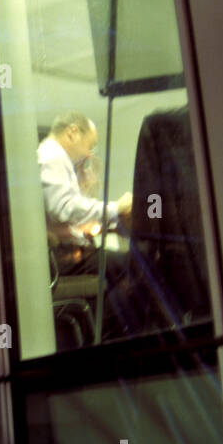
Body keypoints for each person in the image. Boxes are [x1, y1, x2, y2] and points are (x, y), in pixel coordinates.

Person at [38, 111, 136, 337]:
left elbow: (65, 213)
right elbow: (64, 209)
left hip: (66, 253)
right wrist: (116, 208)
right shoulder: (53, 158)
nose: (90, 152)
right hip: (63, 257)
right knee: (135, 265)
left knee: (121, 267)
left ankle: (99, 331)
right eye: (90, 145)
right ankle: (104, 335)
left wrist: (88, 192)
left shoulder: (55, 159)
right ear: (72, 132)